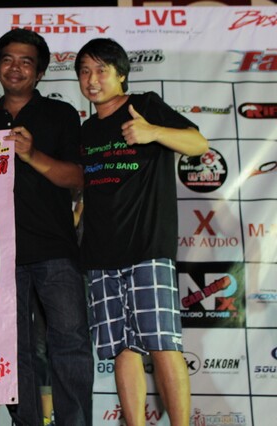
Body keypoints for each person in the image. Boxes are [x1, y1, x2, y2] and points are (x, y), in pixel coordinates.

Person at [74, 38, 208, 426]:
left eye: (101, 70)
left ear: (121, 75)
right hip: (100, 254)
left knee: (163, 344)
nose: (92, 79)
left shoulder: (144, 105)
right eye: (85, 71)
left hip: (147, 248)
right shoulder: (86, 131)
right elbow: (85, 193)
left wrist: (153, 132)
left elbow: (198, 144)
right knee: (122, 350)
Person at [0, 28, 94, 426]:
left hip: (55, 249)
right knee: (13, 349)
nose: (15, 68)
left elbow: (77, 178)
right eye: (8, 60)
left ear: (40, 72)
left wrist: (31, 154)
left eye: (26, 61)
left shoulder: (60, 114)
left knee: (70, 344)